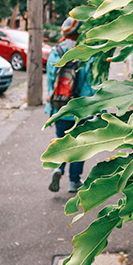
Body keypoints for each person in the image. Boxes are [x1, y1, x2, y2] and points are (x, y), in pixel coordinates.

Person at [45, 17, 95, 193]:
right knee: (79, 146)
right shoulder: (87, 53)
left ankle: (58, 168)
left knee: (62, 141)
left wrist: (50, 107)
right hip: (80, 109)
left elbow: (51, 81)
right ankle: (74, 181)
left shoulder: (55, 51)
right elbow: (90, 84)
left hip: (60, 108)